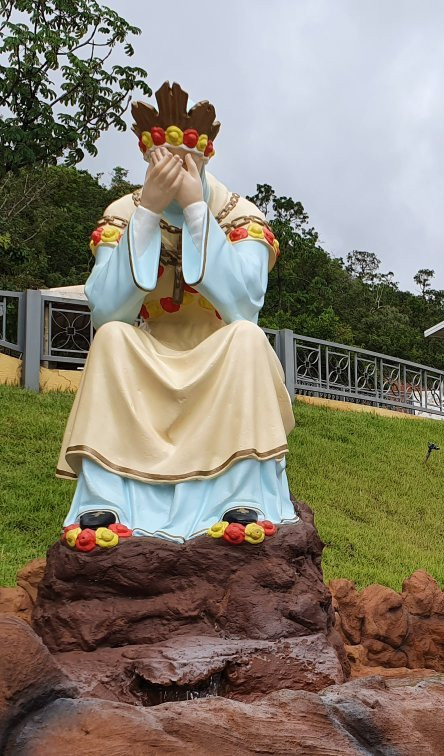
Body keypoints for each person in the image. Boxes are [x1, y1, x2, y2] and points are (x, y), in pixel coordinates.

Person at [56, 82, 297, 543]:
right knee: (111, 338)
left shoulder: (239, 215)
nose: (169, 171)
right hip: (150, 351)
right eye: (158, 163)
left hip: (219, 353)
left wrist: (194, 208)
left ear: (202, 159)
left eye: (181, 162)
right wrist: (146, 214)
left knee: (246, 336)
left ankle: (239, 495)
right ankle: (106, 499)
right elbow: (106, 309)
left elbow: (244, 303)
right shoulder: (124, 213)